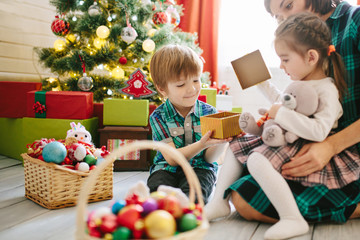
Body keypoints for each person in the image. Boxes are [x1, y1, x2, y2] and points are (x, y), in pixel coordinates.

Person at [207, 0, 360, 234]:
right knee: (241, 188)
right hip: (304, 143)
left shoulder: (353, 23)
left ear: (312, 57)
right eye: (277, 17)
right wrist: (262, 84)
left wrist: (330, 146)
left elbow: (314, 124)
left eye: (288, 6)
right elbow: (287, 101)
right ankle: (218, 201)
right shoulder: (303, 67)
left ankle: (310, 214)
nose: (285, 20)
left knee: (248, 200)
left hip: (344, 152)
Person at [146, 44, 230, 203]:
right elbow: (171, 159)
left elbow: (210, 159)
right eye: (180, 84)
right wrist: (201, 144)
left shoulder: (210, 113)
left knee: (193, 198)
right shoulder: (158, 116)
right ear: (162, 88)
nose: (192, 89)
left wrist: (221, 142)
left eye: (196, 80)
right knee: (158, 196)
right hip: (166, 168)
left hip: (200, 168)